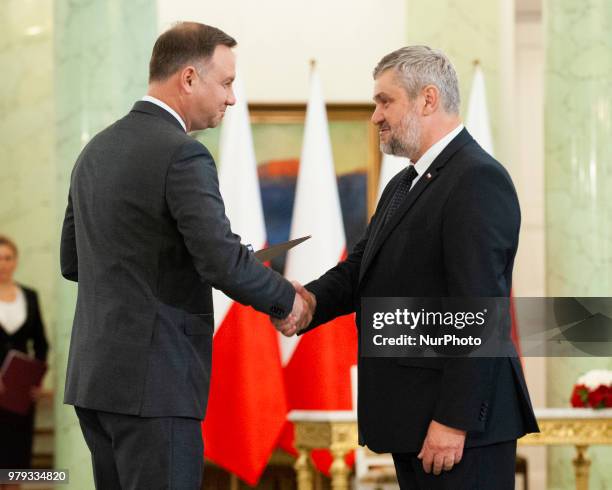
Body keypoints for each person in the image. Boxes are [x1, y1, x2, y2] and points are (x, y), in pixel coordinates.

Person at [275, 46, 539, 489]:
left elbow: (478, 309)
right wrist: (310, 303)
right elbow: (362, 266)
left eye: (385, 101)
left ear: (428, 99)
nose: (375, 115)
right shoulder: (405, 181)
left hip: (459, 431)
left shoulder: (476, 179)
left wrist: (453, 421)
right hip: (414, 420)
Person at [60, 22, 309, 490]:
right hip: (156, 383)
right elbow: (219, 261)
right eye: (228, 82)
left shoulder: (93, 151)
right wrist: (288, 300)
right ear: (189, 78)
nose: (232, 98)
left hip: (96, 383)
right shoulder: (183, 155)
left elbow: (73, 262)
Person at [0, 235, 49, 489]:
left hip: (19, 392)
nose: (3, 264)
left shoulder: (29, 296)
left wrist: (36, 380)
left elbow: (41, 344)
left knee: (16, 465)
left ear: (16, 261)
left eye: (8, 258)